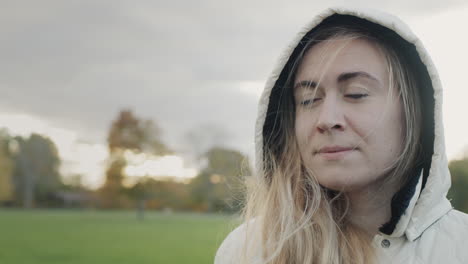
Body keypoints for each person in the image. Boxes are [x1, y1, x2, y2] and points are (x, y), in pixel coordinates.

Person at [214, 6, 468, 264]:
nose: (327, 120)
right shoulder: (247, 251)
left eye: (356, 94)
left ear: (414, 113)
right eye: (309, 100)